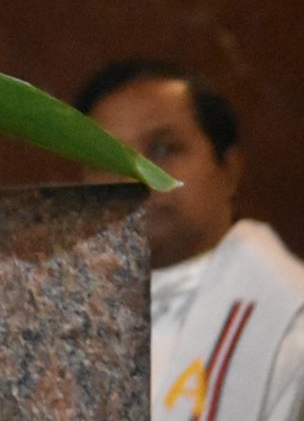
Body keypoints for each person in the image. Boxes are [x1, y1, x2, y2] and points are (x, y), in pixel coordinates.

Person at [79, 58, 304, 421]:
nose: (136, 177)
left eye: (164, 149)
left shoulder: (289, 324)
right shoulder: (55, 319)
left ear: (229, 170)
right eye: (106, 157)